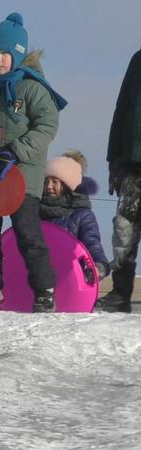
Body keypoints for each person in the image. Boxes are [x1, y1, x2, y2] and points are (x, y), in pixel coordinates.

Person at [0, 12, 67, 313]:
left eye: (4, 54)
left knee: (28, 235)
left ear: (17, 56)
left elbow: (47, 126)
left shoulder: (33, 89)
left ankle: (45, 291)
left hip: (22, 178)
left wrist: (17, 151)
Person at [98, 49, 141, 313]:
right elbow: (122, 108)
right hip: (132, 162)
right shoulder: (138, 60)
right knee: (124, 229)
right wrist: (114, 159)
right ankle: (120, 292)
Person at [40, 151, 110, 282]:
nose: (49, 186)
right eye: (46, 181)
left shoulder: (82, 215)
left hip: (71, 280)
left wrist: (98, 267)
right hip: (39, 281)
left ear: (67, 185)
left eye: (55, 181)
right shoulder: (36, 212)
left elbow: (92, 244)